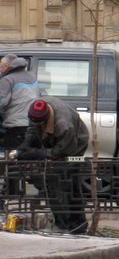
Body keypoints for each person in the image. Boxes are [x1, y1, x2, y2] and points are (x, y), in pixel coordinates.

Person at [9, 98, 90, 233]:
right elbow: (32, 128)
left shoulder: (64, 125)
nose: (34, 123)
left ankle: (66, 225)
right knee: (60, 183)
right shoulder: (37, 108)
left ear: (46, 118)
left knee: (62, 184)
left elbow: (62, 151)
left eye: (38, 122)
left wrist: (38, 153)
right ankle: (75, 226)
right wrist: (26, 144)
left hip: (73, 146)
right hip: (58, 142)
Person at [0, 53, 40, 152]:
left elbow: (2, 102)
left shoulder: (8, 80)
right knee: (28, 157)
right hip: (33, 125)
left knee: (13, 157)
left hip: (15, 125)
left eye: (0, 67)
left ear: (6, 66)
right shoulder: (32, 77)